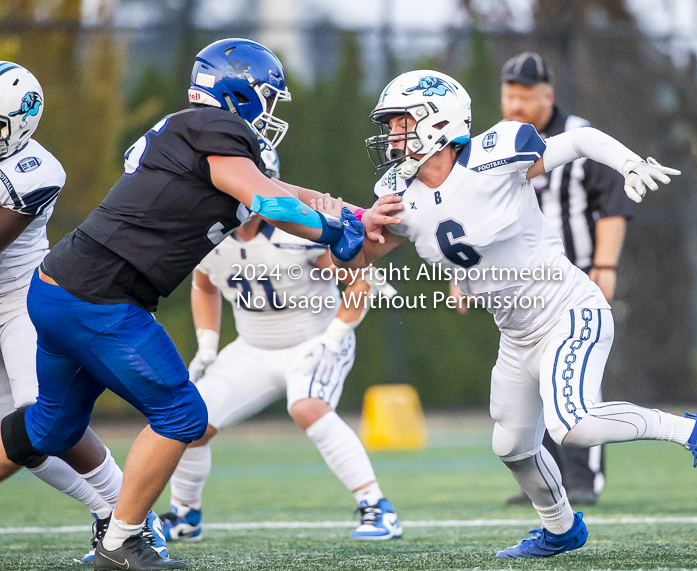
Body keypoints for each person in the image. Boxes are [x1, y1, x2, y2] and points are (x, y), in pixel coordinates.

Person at [0, 39, 386, 570]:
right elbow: (270, 201)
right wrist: (332, 232)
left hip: (58, 287)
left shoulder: (194, 132)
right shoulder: (216, 130)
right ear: (239, 94)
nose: (270, 112)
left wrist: (353, 213)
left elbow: (276, 187)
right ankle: (121, 541)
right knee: (182, 413)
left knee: (49, 428)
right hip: (103, 298)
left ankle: (119, 535)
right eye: (268, 98)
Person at [333, 69, 697, 559]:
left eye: (400, 121)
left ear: (436, 122)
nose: (391, 134)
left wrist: (629, 164)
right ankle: (561, 529)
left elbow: (583, 139)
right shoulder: (400, 193)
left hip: (569, 309)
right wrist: (342, 236)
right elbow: (360, 256)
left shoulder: (494, 155)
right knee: (511, 445)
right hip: (516, 334)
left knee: (574, 424)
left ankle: (694, 429)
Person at [160, 149, 402, 542]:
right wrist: (207, 345)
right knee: (192, 419)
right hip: (252, 347)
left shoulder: (298, 234)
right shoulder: (210, 239)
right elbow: (204, 286)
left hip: (313, 340)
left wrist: (333, 337)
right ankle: (184, 514)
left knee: (307, 407)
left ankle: (376, 507)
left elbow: (361, 281)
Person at [0, 60, 133, 562]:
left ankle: (134, 517)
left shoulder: (35, 170)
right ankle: (106, 516)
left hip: (18, 303)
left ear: (21, 125)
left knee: (40, 421)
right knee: (16, 442)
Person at [499, 51, 630, 507]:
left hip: (575, 278)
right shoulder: (499, 145)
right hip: (523, 288)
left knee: (577, 378)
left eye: (524, 96)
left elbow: (613, 206)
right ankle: (548, 477)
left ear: (547, 96)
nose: (514, 106)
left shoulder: (578, 137)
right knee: (536, 385)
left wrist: (605, 266)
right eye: (509, 96)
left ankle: (584, 479)